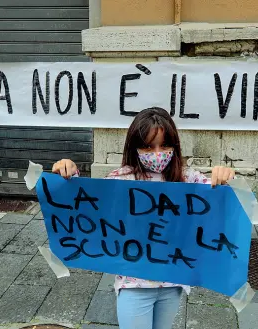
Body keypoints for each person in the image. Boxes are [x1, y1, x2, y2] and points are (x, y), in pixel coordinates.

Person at [51, 107, 235, 329]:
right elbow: (88, 204)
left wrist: (225, 178)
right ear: (135, 146)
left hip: (173, 281)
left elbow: (221, 200)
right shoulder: (121, 180)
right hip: (134, 284)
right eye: (148, 146)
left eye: (164, 145)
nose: (157, 152)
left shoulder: (189, 179)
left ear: (175, 147)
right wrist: (68, 173)